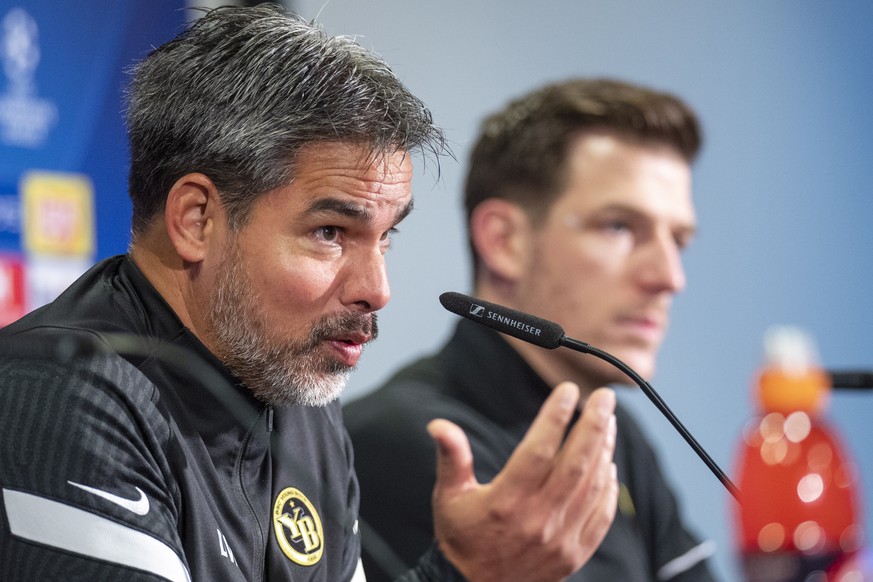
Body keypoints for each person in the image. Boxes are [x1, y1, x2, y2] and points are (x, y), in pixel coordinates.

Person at [0, 6, 620, 582]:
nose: (377, 290)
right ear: (196, 219)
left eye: (386, 238)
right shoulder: (56, 394)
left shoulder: (302, 402)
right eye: (330, 233)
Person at [345, 78, 718, 581]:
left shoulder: (613, 432)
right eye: (620, 226)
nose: (669, 277)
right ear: (504, 241)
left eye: (678, 240)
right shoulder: (406, 441)